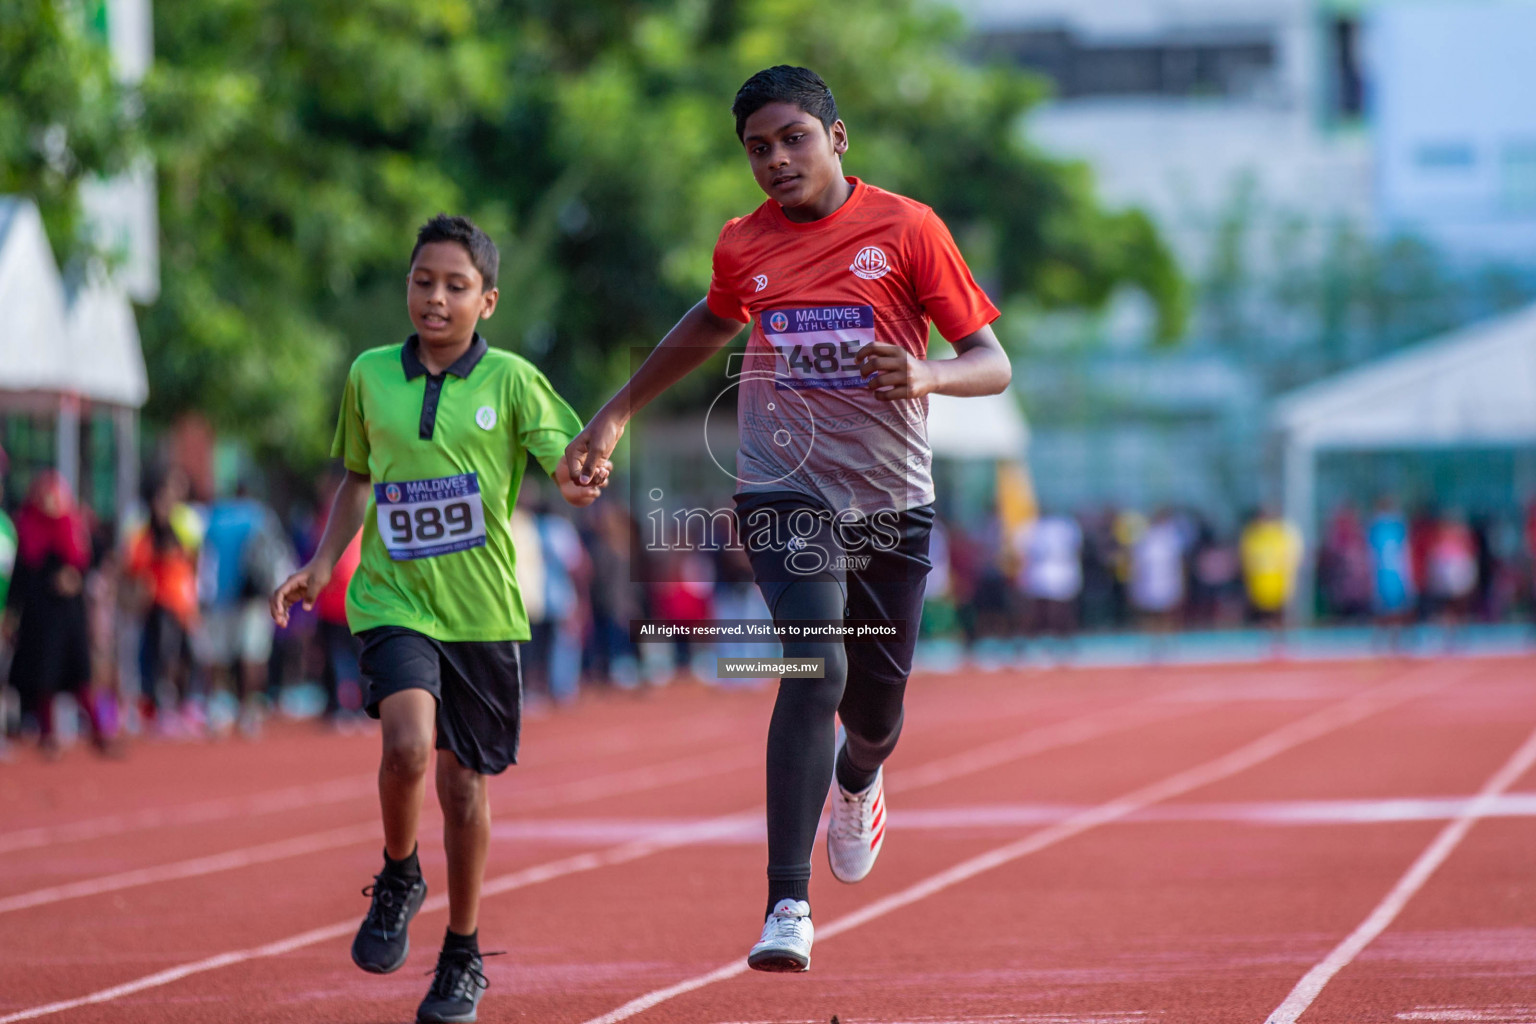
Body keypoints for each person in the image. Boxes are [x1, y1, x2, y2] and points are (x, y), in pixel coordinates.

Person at [565, 66, 1010, 973]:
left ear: (837, 138)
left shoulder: (908, 230)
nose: (775, 160)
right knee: (815, 665)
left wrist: (927, 375)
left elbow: (991, 362)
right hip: (783, 487)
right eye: (758, 148)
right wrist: (615, 411)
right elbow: (711, 321)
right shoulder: (744, 244)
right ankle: (787, 905)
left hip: (891, 498)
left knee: (875, 714)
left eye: (793, 139)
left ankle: (859, 779)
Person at [269, 214, 606, 1024]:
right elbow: (358, 478)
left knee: (463, 789)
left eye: (456, 286)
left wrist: (580, 473)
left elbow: (567, 455)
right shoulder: (369, 375)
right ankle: (398, 872)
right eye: (424, 281)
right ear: (407, 287)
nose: (436, 298)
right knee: (408, 746)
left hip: (483, 612)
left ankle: (461, 951)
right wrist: (322, 564)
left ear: (486, 301)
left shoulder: (515, 382)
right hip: (393, 599)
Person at [6, 472, 114, 755]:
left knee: (82, 674)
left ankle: (99, 731)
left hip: (71, 614)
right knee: (45, 676)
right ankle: (47, 733)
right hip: (41, 615)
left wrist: (75, 578)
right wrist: (12, 611)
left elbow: (91, 560)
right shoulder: (27, 526)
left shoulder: (75, 525)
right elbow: (21, 575)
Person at [198, 485, 294, 736]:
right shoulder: (260, 515)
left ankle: (219, 710)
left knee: (218, 657)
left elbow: (203, 555)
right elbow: (276, 554)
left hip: (220, 596)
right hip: (253, 597)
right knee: (253, 656)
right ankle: (249, 711)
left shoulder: (215, 516)